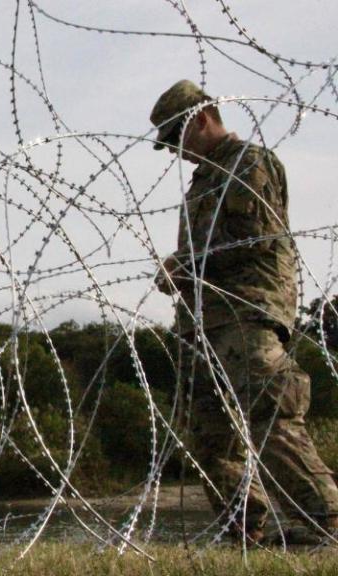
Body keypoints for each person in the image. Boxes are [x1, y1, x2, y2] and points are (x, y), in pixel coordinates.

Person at [151, 79, 338, 545]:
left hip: (248, 312)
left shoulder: (246, 164)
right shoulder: (205, 178)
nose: (176, 152)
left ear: (201, 120)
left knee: (269, 417)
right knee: (212, 434)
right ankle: (243, 529)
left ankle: (328, 519)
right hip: (206, 322)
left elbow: (255, 238)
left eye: (178, 138)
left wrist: (186, 264)